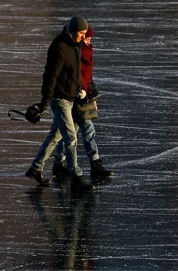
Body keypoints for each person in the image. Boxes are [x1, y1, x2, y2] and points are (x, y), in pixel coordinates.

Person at [25, 15, 95, 192]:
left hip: (71, 98)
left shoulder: (75, 45)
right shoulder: (59, 47)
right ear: (72, 31)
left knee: (55, 136)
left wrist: (80, 90)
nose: (83, 37)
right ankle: (76, 177)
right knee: (70, 137)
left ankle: (36, 168)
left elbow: (76, 71)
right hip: (59, 99)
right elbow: (50, 76)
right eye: (81, 33)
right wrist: (44, 103)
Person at [51, 24, 114, 182]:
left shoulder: (85, 51)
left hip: (83, 98)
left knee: (74, 132)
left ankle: (62, 161)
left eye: (90, 38)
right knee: (72, 132)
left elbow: (88, 78)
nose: (88, 41)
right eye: (86, 38)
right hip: (72, 97)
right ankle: (90, 163)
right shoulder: (75, 52)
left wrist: (91, 97)